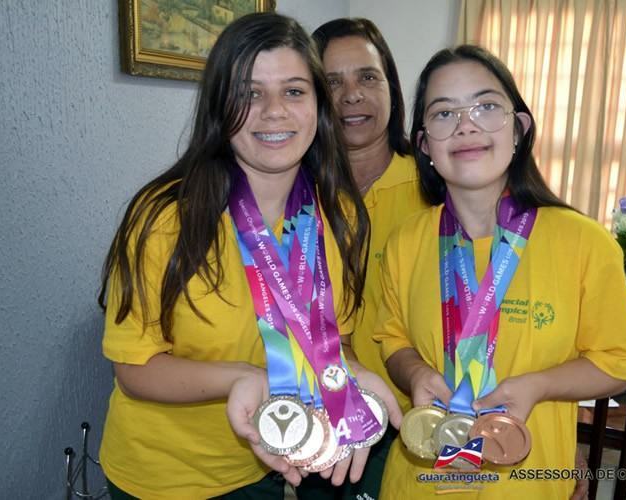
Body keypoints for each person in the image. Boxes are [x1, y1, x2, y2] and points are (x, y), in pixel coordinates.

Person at [97, 13, 400, 499]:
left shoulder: (338, 214)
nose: (274, 111)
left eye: (294, 91)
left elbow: (331, 341)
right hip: (160, 478)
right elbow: (134, 369)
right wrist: (244, 377)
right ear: (221, 106)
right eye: (250, 93)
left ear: (319, 105)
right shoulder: (165, 217)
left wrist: (353, 377)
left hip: (264, 468)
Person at [373, 45, 626, 498]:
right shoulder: (405, 241)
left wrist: (537, 386)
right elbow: (391, 339)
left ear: (519, 128)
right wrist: (416, 374)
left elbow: (618, 364)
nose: (466, 125)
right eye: (443, 114)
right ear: (424, 145)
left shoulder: (584, 241)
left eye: (486, 106)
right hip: (418, 480)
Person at [294, 18, 428, 500]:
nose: (352, 95)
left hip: (425, 420)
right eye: (332, 82)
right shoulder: (291, 195)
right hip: (325, 416)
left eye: (368, 77)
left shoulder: (439, 189)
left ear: (392, 86)